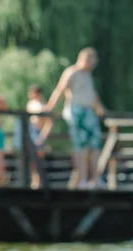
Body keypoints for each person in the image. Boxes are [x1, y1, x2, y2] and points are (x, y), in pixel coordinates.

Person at [45, 47, 105, 189]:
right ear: (85, 59)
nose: (94, 63)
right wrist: (50, 107)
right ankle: (83, 180)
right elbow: (60, 89)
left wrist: (100, 108)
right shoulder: (72, 72)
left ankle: (95, 179)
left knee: (95, 145)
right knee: (81, 146)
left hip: (89, 112)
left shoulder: (87, 75)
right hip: (77, 111)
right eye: (93, 60)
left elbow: (92, 94)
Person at [26, 85, 53, 188]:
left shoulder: (44, 106)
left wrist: (42, 136)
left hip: (39, 132)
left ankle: (40, 181)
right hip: (31, 131)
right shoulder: (31, 104)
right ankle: (35, 181)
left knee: (39, 157)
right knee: (32, 159)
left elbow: (49, 123)